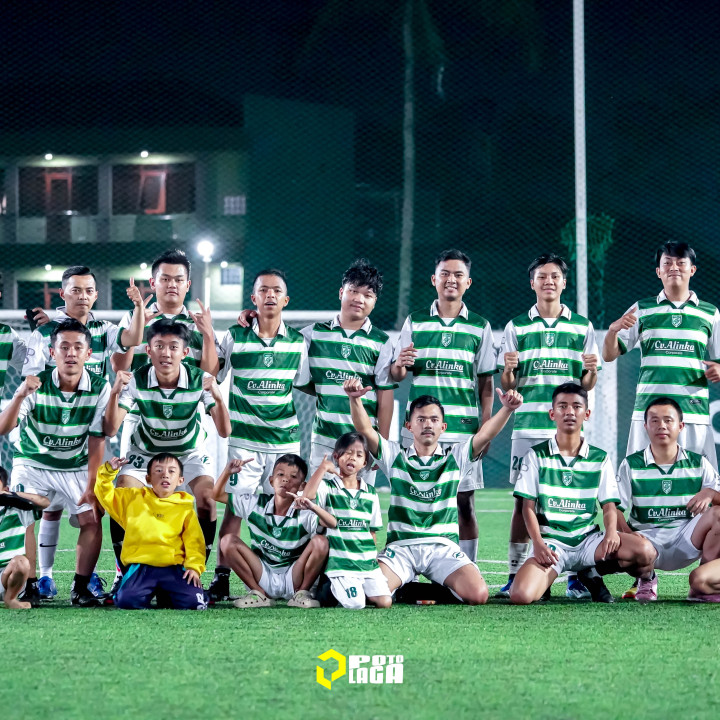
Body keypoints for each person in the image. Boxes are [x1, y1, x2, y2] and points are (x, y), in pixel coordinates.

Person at [602, 241, 720, 598]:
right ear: (658, 271)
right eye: (667, 263)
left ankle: (707, 577)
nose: (674, 268)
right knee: (637, 491)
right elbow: (610, 355)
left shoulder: (710, 313)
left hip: (694, 418)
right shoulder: (643, 309)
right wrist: (612, 331)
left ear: (692, 270)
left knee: (709, 496)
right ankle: (644, 574)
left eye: (681, 263)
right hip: (648, 418)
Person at [23, 265, 147, 602]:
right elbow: (32, 378)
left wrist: (138, 306)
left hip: (86, 434)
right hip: (50, 434)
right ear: (62, 293)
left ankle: (85, 577)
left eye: (89, 290)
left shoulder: (103, 330)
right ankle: (44, 577)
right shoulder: (47, 330)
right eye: (75, 290)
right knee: (49, 508)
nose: (82, 296)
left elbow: (133, 339)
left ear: (96, 294)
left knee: (92, 509)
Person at [346, 376, 522, 605]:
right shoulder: (394, 456)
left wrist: (507, 409)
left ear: (443, 427)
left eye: (433, 419)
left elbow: (486, 434)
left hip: (443, 548)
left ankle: (411, 591)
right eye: (420, 419)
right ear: (409, 426)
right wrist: (355, 399)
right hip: (401, 548)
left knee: (478, 595)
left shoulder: (456, 457)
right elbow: (365, 429)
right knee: (371, 594)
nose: (427, 425)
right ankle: (409, 588)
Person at [110, 248, 222, 596]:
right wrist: (137, 322)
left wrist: (208, 334)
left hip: (186, 428)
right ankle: (124, 571)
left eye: (178, 279)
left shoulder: (198, 321)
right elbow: (120, 367)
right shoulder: (135, 318)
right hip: (142, 423)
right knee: (125, 494)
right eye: (165, 278)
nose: (172, 284)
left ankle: (194, 572)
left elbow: (210, 373)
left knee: (206, 499)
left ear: (188, 284)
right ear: (153, 282)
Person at [497, 253, 601, 599]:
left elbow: (587, 383)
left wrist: (591, 370)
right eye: (541, 276)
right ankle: (514, 574)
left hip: (567, 430)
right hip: (528, 426)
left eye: (554, 276)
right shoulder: (516, 326)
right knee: (521, 502)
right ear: (532, 283)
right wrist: (508, 370)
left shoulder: (582, 327)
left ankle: (575, 575)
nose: (548, 282)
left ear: (564, 282)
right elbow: (508, 382)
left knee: (571, 498)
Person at [390, 249, 497, 564]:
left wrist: (486, 427)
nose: (451, 279)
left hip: (463, 431)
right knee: (411, 500)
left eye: (458, 274)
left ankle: (467, 568)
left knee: (464, 503)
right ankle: (407, 565)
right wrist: (399, 363)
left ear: (468, 282)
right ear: (434, 280)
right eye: (445, 274)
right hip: (420, 430)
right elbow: (397, 374)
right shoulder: (416, 321)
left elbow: (486, 382)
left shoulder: (479, 326)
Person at [209, 269, 309, 602]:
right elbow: (213, 373)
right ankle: (221, 578)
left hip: (284, 443)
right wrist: (208, 334)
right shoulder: (235, 336)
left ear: (286, 299)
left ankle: (290, 578)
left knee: (288, 509)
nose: (270, 295)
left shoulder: (298, 342)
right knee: (234, 510)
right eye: (263, 290)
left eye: (276, 290)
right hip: (245, 443)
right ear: (253, 298)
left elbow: (306, 383)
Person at [509, 383, 656, 605]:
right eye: (562, 406)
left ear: (586, 414)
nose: (569, 412)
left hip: (589, 542)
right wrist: (538, 544)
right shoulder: (535, 455)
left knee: (645, 551)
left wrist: (611, 533)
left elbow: (609, 506)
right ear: (552, 414)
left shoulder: (600, 458)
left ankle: (591, 573)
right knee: (521, 596)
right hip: (553, 544)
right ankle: (549, 578)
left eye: (577, 407)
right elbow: (527, 508)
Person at [0, 318, 111, 606]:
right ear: (52, 352)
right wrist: (20, 395)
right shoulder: (36, 383)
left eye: (78, 347)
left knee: (92, 517)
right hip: (33, 462)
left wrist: (92, 484)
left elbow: (97, 438)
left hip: (75, 464)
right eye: (64, 347)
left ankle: (81, 587)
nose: (71, 353)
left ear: (89, 353)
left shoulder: (101, 387)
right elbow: (3, 427)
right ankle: (29, 586)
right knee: (22, 515)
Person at [616, 397, 720, 603]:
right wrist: (629, 536)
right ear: (645, 426)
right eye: (654, 420)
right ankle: (646, 579)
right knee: (616, 537)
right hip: (646, 541)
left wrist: (710, 493)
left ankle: (704, 582)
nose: (661, 425)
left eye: (668, 420)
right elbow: (614, 508)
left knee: (718, 513)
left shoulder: (699, 463)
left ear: (681, 426)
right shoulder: (631, 464)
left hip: (686, 539)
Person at [94, 454, 209, 610]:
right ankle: (139, 590)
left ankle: (169, 592)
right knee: (126, 602)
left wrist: (194, 567)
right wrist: (107, 472)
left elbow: (194, 541)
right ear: (148, 478)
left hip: (175, 568)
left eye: (171, 471)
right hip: (142, 567)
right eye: (159, 470)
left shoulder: (185, 507)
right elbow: (105, 495)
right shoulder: (133, 499)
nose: (165, 475)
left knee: (194, 604)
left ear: (180, 480)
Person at [213, 454, 329, 608]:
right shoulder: (254, 503)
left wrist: (313, 505)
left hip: (294, 577)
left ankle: (302, 593)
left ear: (302, 486)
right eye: (280, 474)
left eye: (293, 476)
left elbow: (329, 523)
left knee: (321, 542)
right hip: (262, 574)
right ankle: (258, 593)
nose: (285, 480)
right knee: (227, 541)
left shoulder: (305, 511)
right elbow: (217, 495)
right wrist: (227, 472)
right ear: (271, 480)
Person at [300, 432, 392, 610]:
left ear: (364, 463)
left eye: (359, 455)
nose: (352, 458)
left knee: (385, 602)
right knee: (356, 604)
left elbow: (372, 532)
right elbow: (308, 496)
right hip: (342, 564)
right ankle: (327, 586)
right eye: (348, 453)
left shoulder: (371, 493)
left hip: (366, 564)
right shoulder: (328, 487)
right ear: (336, 457)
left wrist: (373, 559)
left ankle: (350, 589)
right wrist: (322, 469)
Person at [0, 467, 43, 609]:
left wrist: (14, 495)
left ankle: (10, 598)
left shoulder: (15, 511)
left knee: (21, 562)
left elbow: (43, 503)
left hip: (6, 577)